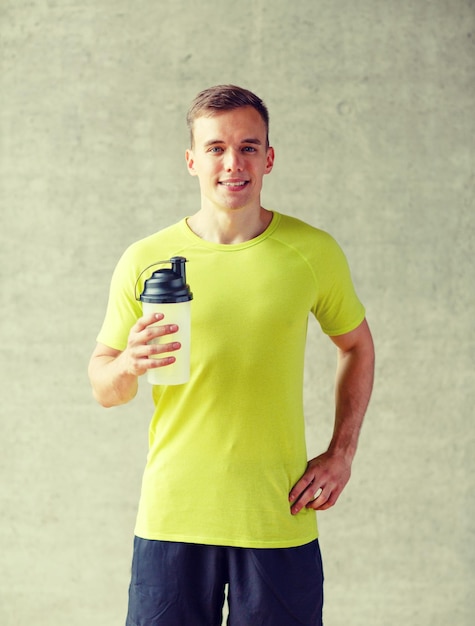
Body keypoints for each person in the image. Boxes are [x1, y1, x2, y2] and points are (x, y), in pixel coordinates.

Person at [88, 84, 375, 626]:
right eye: (216, 148)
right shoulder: (145, 259)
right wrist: (128, 364)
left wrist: (341, 452)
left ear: (268, 157)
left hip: (276, 515)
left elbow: (357, 345)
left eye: (248, 146)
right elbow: (105, 386)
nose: (232, 163)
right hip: (173, 517)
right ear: (192, 159)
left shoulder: (311, 252)